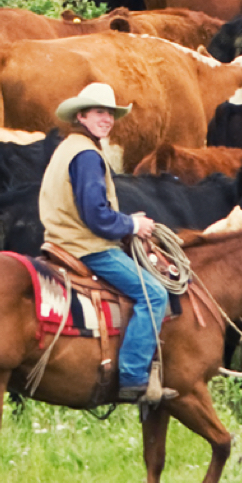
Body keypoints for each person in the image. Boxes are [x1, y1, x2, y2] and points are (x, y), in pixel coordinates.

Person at [35, 83, 179, 406]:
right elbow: (96, 217)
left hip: (62, 240)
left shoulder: (68, 148)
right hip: (87, 246)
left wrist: (126, 222)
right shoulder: (86, 155)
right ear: (82, 115)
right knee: (154, 294)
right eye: (99, 112)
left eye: (111, 114)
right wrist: (132, 224)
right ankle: (132, 377)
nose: (107, 119)